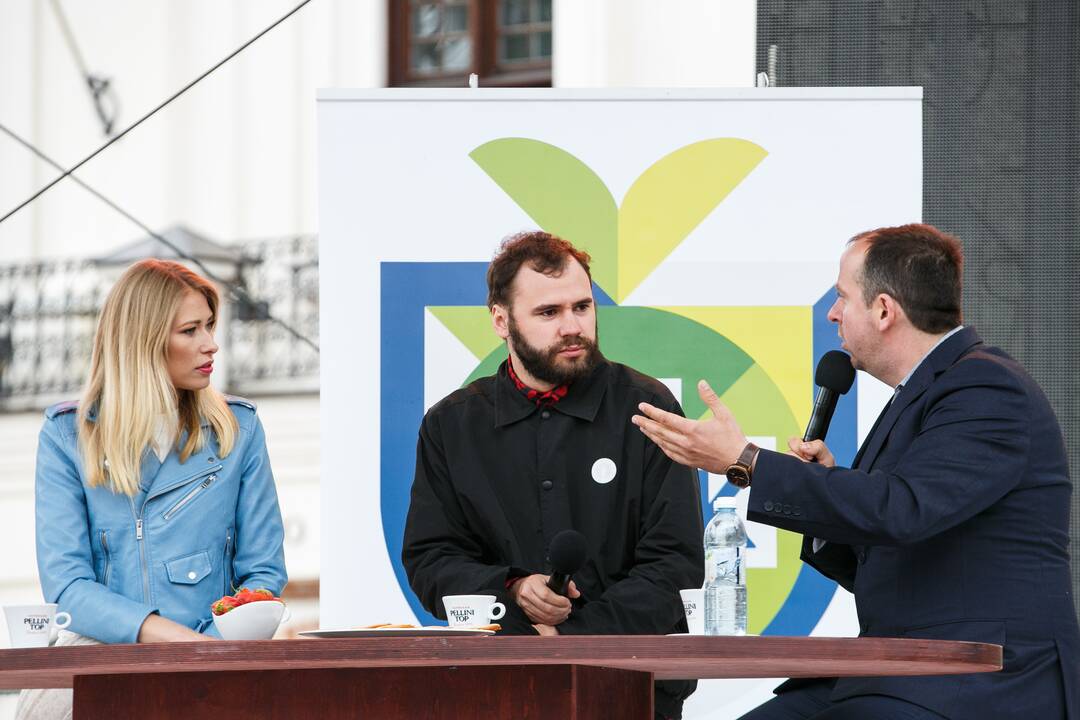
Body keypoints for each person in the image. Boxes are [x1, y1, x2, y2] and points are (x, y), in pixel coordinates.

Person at [634, 223, 1079, 720]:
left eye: (842, 297)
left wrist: (747, 461)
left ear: (884, 310)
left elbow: (902, 512)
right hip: (899, 673)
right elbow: (888, 550)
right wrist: (825, 484)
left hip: (978, 680)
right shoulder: (926, 394)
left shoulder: (986, 388)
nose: (832, 313)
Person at [402, 231, 704, 720]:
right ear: (501, 320)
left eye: (582, 307)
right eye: (549, 313)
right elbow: (431, 561)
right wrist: (514, 591)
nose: (572, 326)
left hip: (632, 690)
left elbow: (676, 565)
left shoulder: (647, 409)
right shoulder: (451, 425)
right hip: (495, 690)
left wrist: (571, 638)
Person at [19, 259, 287, 719]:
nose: (211, 344)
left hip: (215, 665)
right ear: (143, 342)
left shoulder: (238, 430)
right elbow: (67, 585)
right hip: (100, 656)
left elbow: (263, 574)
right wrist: (177, 642)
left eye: (209, 326)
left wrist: (209, 650)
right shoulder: (67, 435)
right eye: (190, 330)